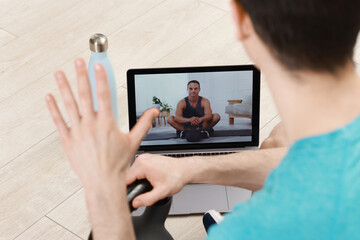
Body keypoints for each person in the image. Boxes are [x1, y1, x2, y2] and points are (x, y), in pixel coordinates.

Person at [45, 0, 360, 239]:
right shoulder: (184, 102)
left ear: (239, 18)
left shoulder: (252, 229)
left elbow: (210, 116)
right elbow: (297, 161)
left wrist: (102, 191)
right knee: (279, 141)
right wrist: (188, 168)